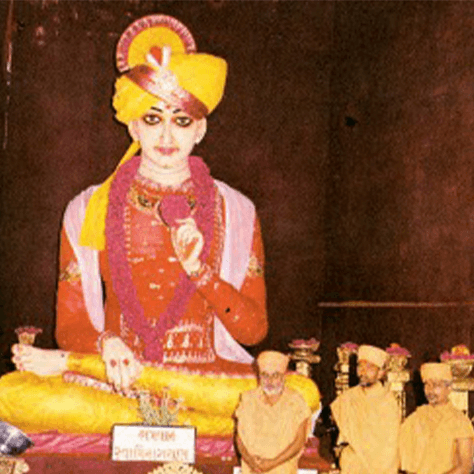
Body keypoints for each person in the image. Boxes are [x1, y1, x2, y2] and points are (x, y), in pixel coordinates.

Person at [0, 14, 320, 436]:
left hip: (204, 377)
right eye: (153, 119)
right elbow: (70, 325)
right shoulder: (86, 208)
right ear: (132, 123)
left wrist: (200, 272)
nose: (166, 135)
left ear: (200, 128)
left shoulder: (235, 210)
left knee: (299, 395)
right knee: (12, 394)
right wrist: (106, 345)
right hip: (115, 378)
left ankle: (152, 423)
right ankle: (180, 427)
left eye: (181, 119)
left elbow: (253, 331)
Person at [235, 351, 311, 474]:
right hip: (252, 470)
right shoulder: (248, 399)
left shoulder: (296, 401)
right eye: (265, 375)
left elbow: (299, 441)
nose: (270, 381)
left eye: (275, 375)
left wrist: (272, 463)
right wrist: (251, 461)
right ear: (259, 376)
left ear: (284, 376)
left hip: (282, 469)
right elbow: (239, 438)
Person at [330, 344, 400, 474]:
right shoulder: (347, 397)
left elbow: (389, 450)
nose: (363, 371)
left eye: (369, 367)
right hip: (350, 466)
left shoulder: (388, 402)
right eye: (360, 366)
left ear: (380, 373)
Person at [399, 362, 474, 474]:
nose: (430, 390)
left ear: (449, 388)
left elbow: (465, 466)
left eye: (436, 385)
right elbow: (401, 460)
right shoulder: (415, 418)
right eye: (427, 385)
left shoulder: (461, 421)